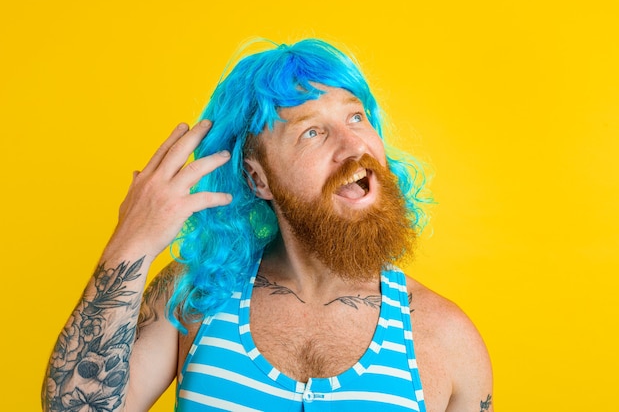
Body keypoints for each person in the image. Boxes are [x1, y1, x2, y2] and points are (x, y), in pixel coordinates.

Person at [42, 39, 493, 412]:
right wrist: (132, 242)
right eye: (312, 132)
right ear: (259, 179)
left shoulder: (445, 337)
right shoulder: (195, 295)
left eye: (356, 117)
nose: (354, 145)